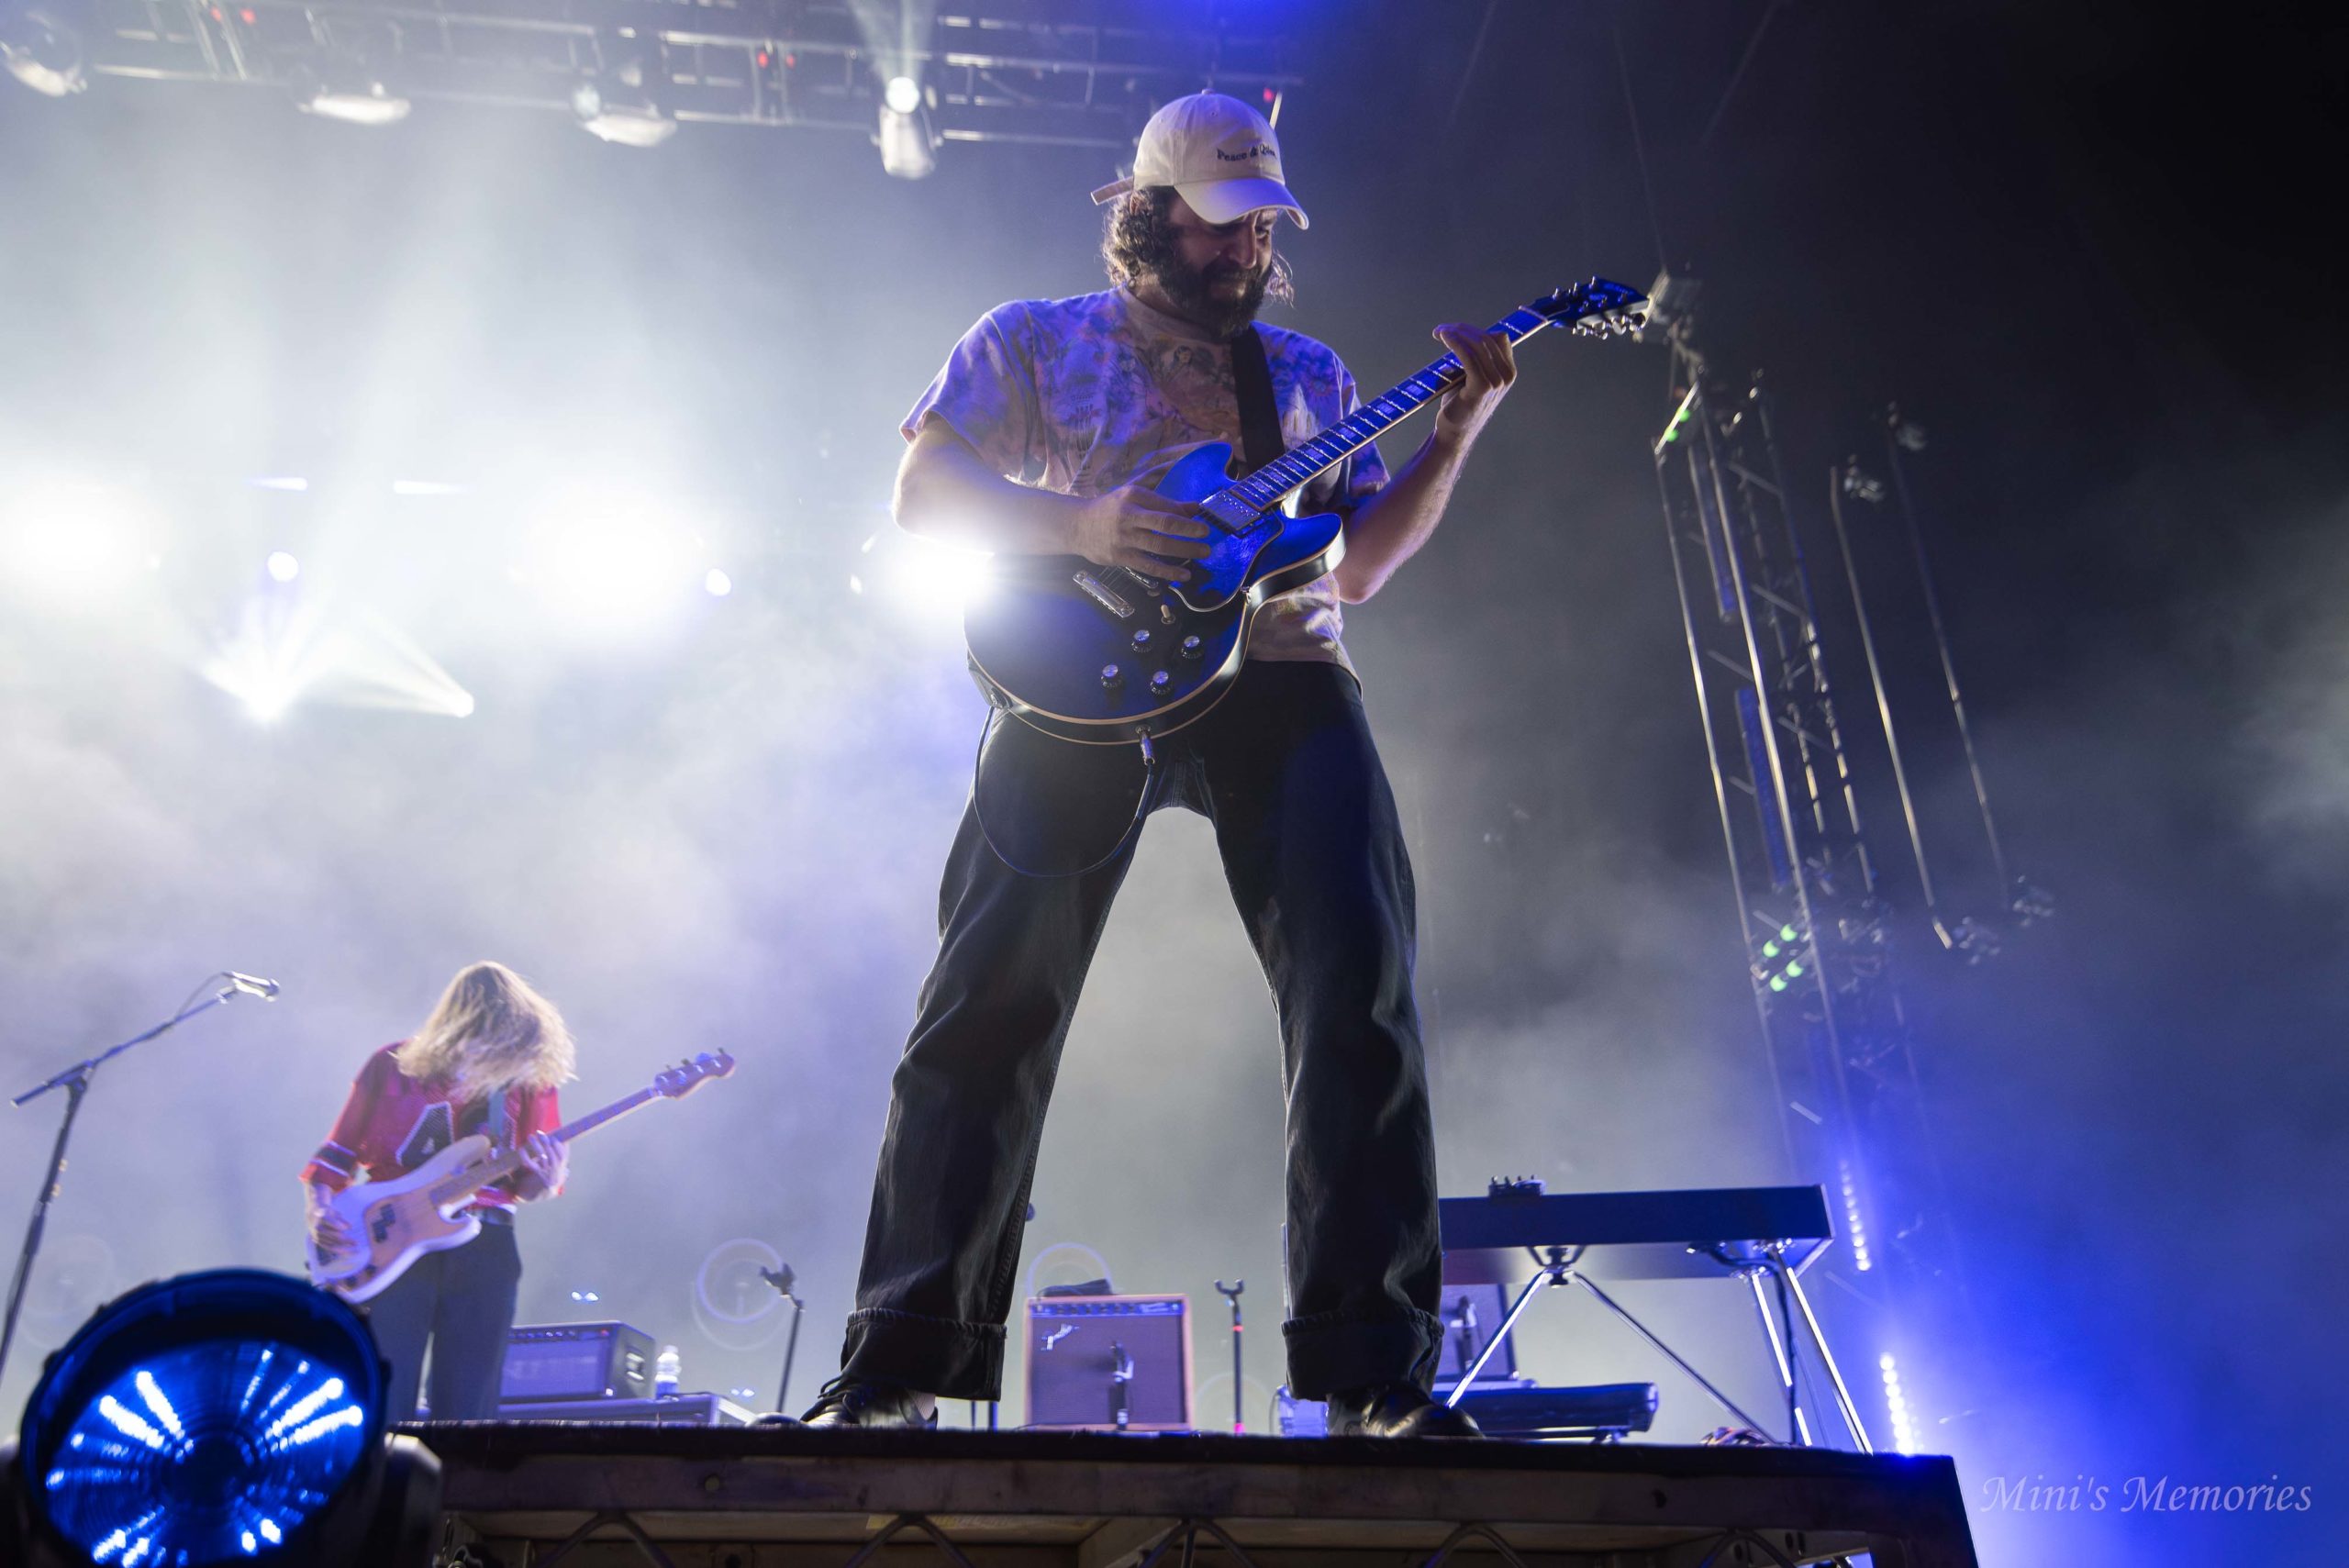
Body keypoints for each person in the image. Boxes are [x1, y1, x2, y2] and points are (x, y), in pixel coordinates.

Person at [805, 92, 1518, 1438]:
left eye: (1262, 229)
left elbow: (1361, 564)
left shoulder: (1305, 371)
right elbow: (924, 494)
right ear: (1146, 213)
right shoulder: (1033, 339)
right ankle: (898, 1363)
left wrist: (1457, 431)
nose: (1244, 250)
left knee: (1357, 997)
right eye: (1217, 225)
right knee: (986, 1001)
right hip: (1075, 682)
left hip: (1285, 677)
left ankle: (1374, 1372)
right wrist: (1085, 524)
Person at [303, 961, 573, 1420]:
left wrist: (546, 1180)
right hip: (389, 1235)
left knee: (469, 1407)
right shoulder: (392, 1065)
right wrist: (320, 1210)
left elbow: (528, 1187)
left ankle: (455, 1471)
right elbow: (335, 1156)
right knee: (382, 1393)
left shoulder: (528, 1082)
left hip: (485, 1241)